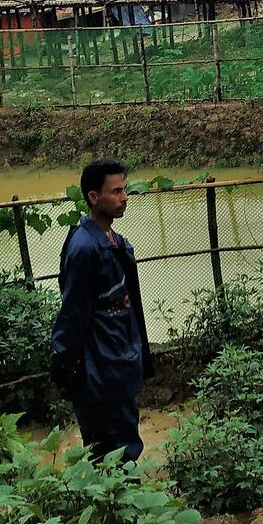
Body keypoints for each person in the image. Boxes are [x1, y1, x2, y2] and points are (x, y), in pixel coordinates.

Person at [51, 158, 153, 463]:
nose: (124, 197)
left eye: (125, 189)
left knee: (122, 435)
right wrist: (64, 362)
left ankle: (122, 501)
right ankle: (118, 505)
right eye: (116, 191)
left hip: (117, 361)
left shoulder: (113, 242)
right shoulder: (85, 249)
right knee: (109, 447)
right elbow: (73, 313)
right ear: (94, 198)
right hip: (100, 369)